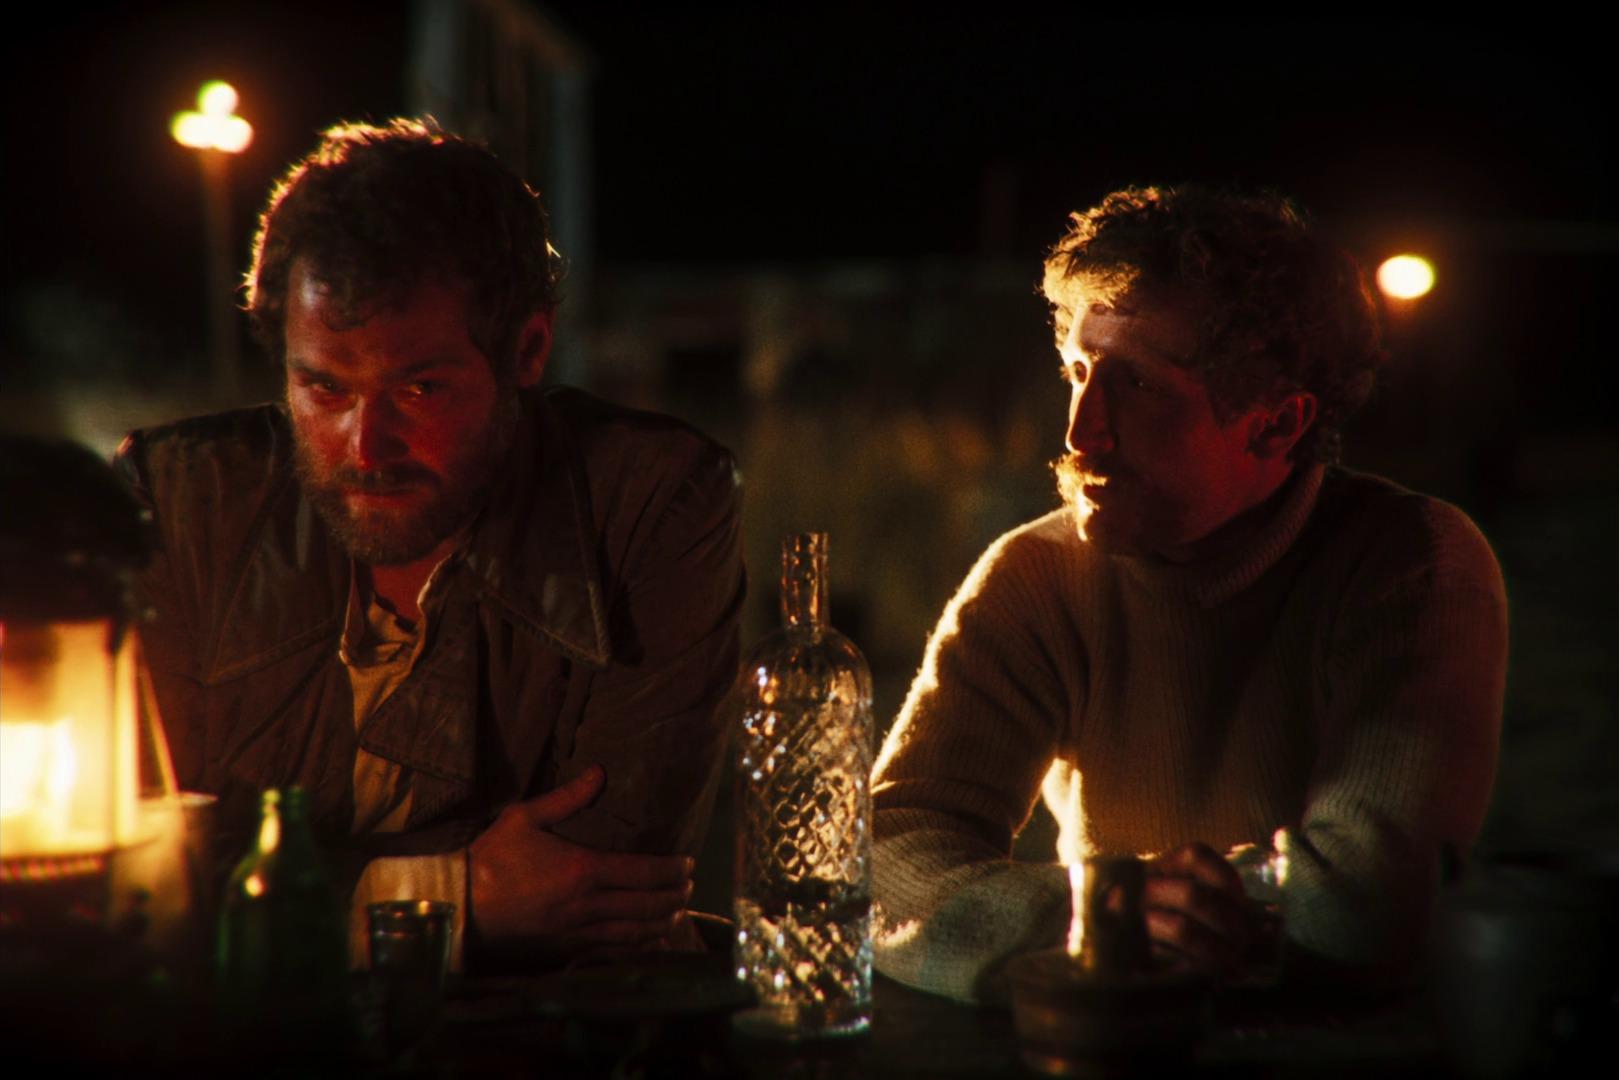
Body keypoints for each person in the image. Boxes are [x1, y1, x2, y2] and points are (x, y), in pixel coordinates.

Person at [115, 120, 745, 968]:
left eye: (419, 389)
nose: (365, 446)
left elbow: (603, 885)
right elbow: (136, 886)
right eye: (323, 388)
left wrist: (276, 889)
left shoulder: (650, 500)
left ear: (526, 350)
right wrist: (453, 892)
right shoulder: (183, 498)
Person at [870, 185, 1508, 1002]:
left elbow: (1364, 903)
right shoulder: (1034, 573)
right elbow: (881, 859)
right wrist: (1106, 914)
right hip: (1107, 1037)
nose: (1080, 432)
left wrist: (1111, 920)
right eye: (1077, 371)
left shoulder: (1409, 564)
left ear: (1275, 424)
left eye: (1137, 385)